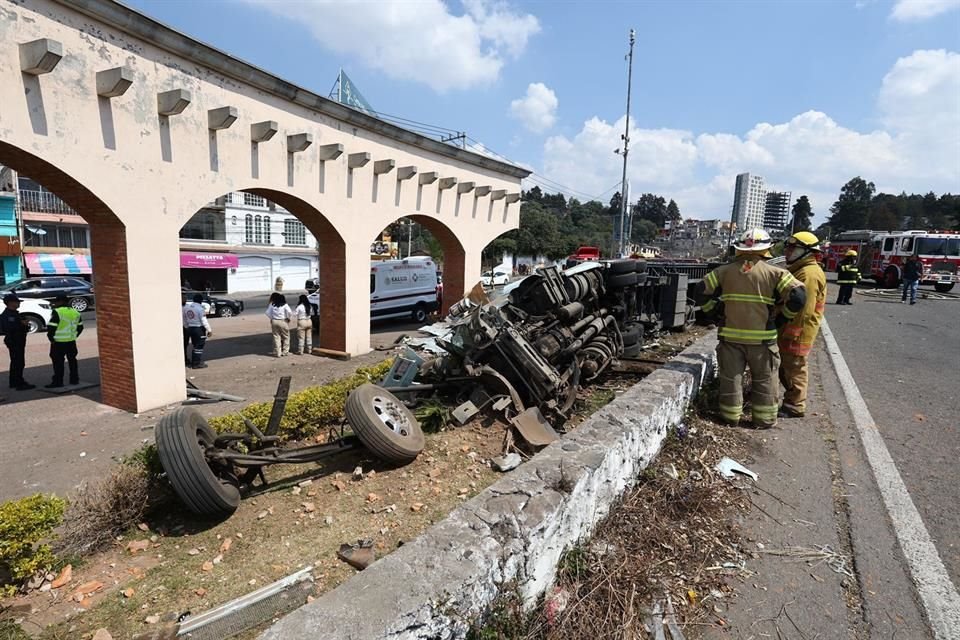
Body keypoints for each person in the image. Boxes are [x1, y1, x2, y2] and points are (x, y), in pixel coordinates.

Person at [696, 228, 806, 429]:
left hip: (730, 338)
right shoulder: (777, 273)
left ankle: (730, 417)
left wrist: (714, 312)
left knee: (731, 379)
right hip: (763, 341)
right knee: (765, 380)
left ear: (739, 248)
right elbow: (798, 296)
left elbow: (700, 291)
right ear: (767, 249)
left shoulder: (724, 271)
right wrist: (782, 318)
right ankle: (763, 420)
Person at [778, 232, 827, 418]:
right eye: (788, 247)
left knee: (795, 368)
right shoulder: (801, 269)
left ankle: (795, 405)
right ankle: (792, 400)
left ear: (807, 252)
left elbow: (804, 309)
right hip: (794, 329)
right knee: (789, 367)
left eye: (793, 248)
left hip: (797, 331)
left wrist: (791, 332)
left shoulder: (808, 274)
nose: (788, 251)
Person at [46, 295, 83, 388]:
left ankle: (58, 382)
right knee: (72, 361)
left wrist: (51, 338)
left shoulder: (57, 312)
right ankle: (74, 380)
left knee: (58, 362)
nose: (55, 303)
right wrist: (74, 335)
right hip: (71, 341)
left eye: (56, 302)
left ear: (60, 302)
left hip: (58, 342)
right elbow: (80, 327)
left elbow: (51, 327)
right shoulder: (76, 312)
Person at [1, 293, 35, 390]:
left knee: (18, 362)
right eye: (17, 302)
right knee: (17, 362)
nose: (18, 304)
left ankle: (15, 382)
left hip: (18, 340)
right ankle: (18, 383)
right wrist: (22, 324)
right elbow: (9, 328)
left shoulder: (15, 313)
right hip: (14, 340)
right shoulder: (8, 315)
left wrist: (24, 325)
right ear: (10, 303)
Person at [182, 293, 212, 369]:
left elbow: (184, 319)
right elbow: (204, 320)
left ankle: (194, 362)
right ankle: (196, 363)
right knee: (199, 346)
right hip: (199, 329)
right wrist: (209, 330)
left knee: (195, 345)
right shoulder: (200, 309)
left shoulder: (187, 308)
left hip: (190, 328)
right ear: (201, 301)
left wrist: (187, 327)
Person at [265, 292, 292, 357]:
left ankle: (278, 353)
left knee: (276, 337)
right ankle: (285, 352)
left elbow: (267, 313)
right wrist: (287, 318)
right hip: (283, 321)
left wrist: (272, 318)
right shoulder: (285, 305)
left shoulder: (272, 304)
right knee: (286, 337)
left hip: (274, 321)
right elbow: (290, 312)